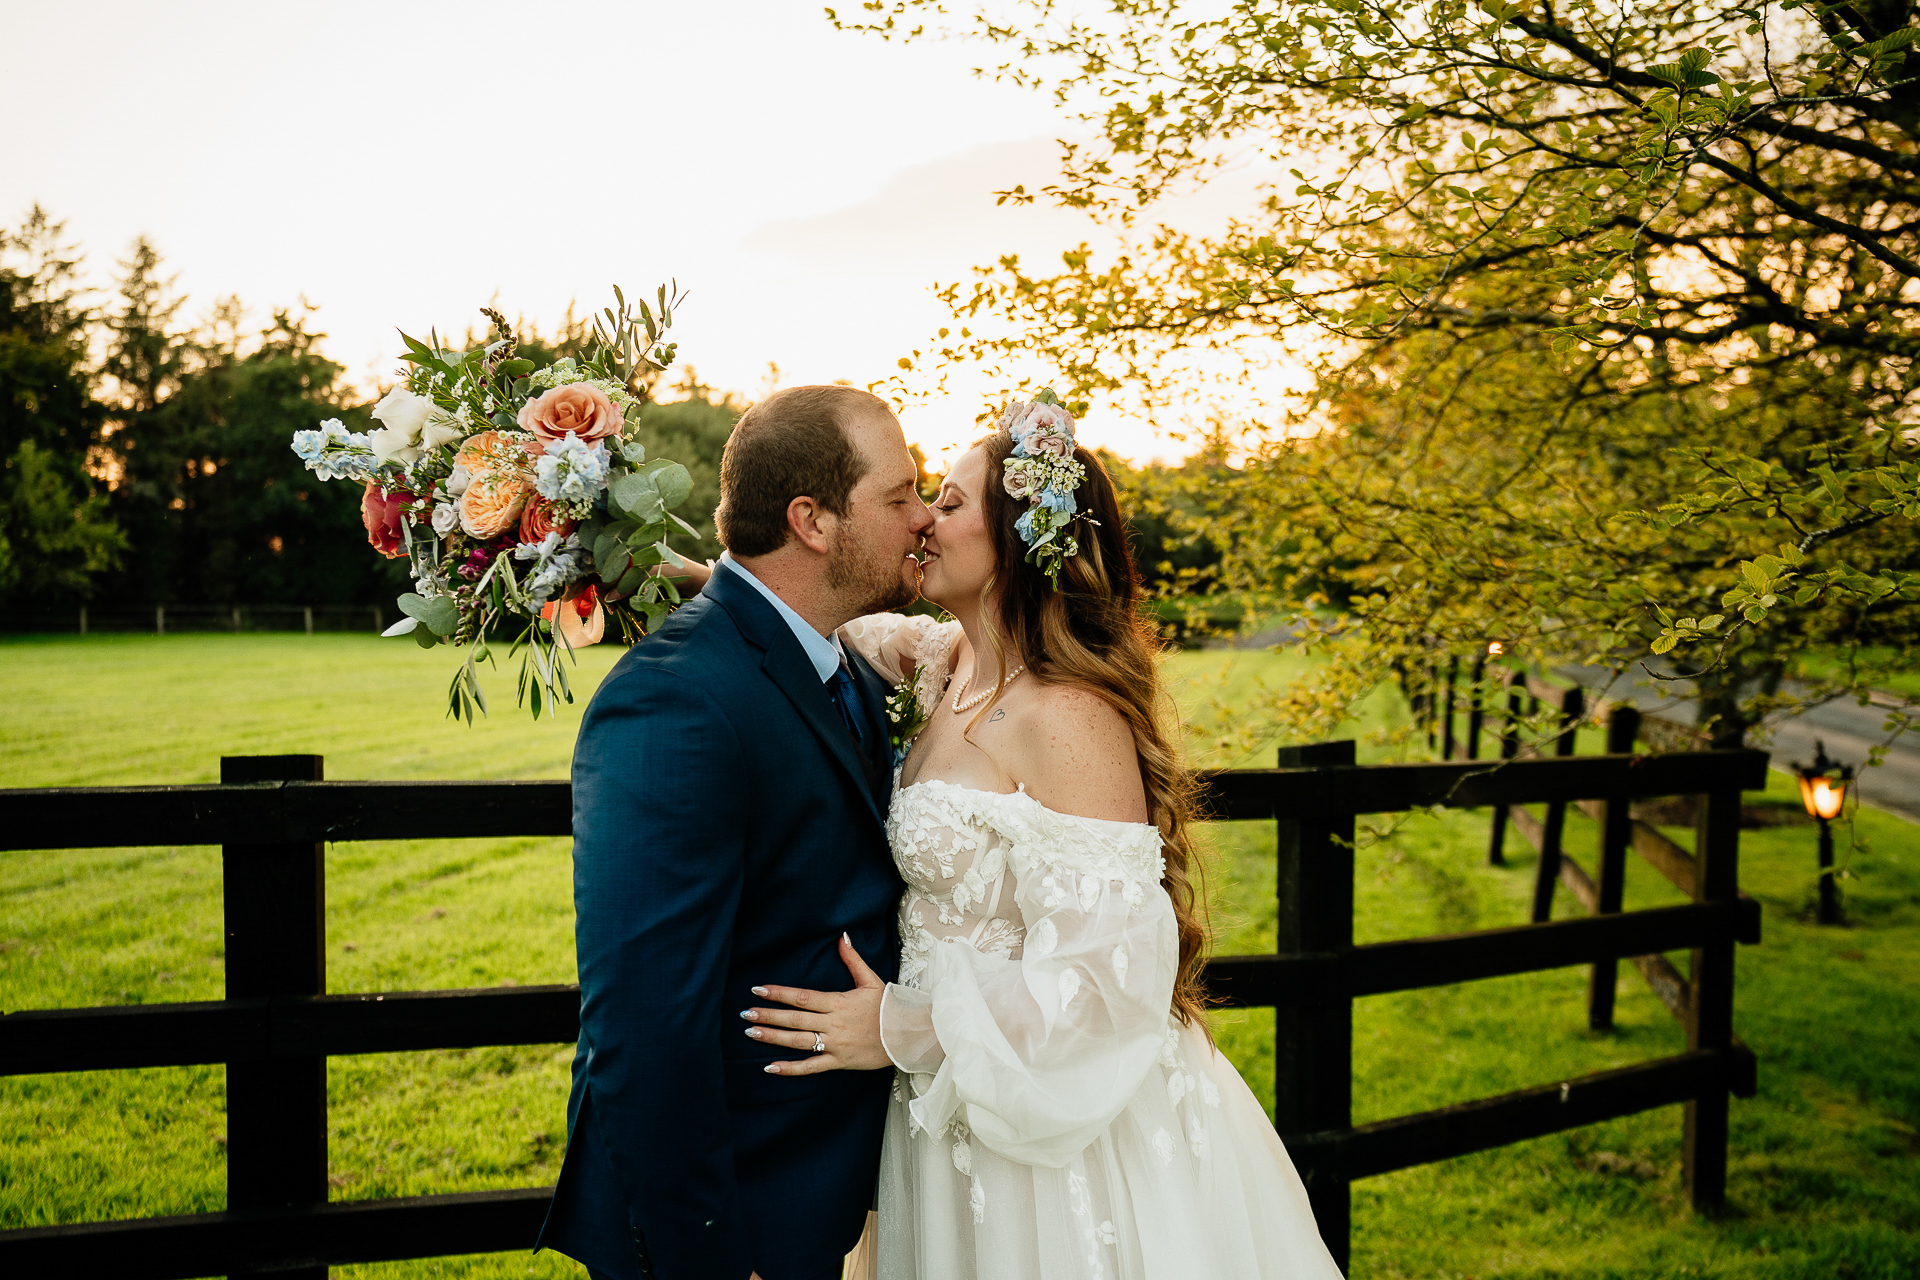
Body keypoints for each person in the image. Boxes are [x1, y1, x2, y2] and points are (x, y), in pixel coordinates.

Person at [738, 397, 1349, 1279]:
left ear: (1015, 543)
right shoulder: (942, 663)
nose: (921, 521)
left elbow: (1109, 983)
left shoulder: (1067, 716)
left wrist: (902, 1027)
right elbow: (788, 601)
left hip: (1053, 1126)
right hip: (943, 1112)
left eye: (947, 503)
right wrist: (636, 557)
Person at [536, 385, 934, 1280]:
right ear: (813, 520)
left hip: (816, 1199)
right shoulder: (675, 698)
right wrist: (704, 1257)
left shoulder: (845, 669)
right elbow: (642, 1019)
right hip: (727, 1224)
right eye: (900, 494)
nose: (922, 516)